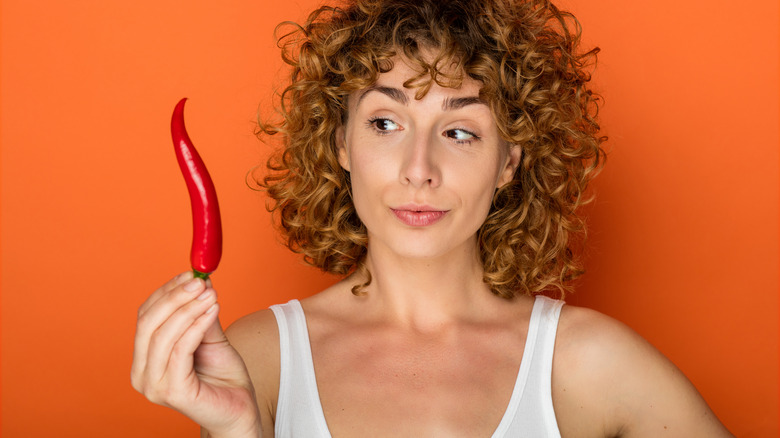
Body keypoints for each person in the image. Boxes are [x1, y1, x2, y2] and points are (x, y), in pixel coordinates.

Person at [131, 0, 734, 436]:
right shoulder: (260, 359)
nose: (419, 169)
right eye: (385, 124)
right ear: (341, 144)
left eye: (460, 131)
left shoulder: (588, 363)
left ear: (507, 163)